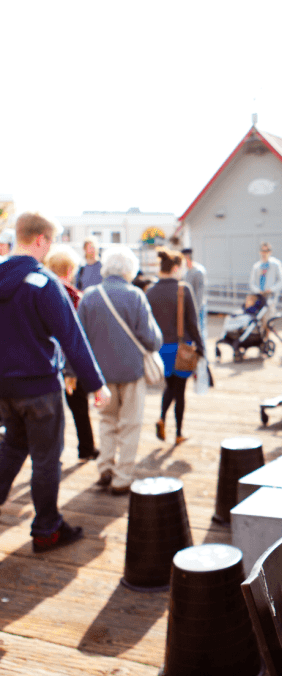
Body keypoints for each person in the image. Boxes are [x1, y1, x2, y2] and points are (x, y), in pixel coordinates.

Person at [0, 212, 111, 553]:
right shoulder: (44, 283)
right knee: (46, 460)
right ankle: (47, 529)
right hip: (39, 390)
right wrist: (96, 384)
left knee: (13, 446)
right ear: (41, 240)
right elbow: (71, 338)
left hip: (4, 390)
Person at [78, 245, 163, 495]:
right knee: (130, 424)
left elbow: (79, 339)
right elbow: (150, 339)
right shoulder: (135, 295)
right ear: (130, 269)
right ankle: (122, 477)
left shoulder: (89, 296)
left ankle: (104, 466)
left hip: (100, 375)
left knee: (106, 420)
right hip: (130, 372)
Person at [45, 244, 99, 461]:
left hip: (45, 362)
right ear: (70, 270)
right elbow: (79, 335)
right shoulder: (76, 297)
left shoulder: (38, 291)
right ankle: (86, 448)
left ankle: (47, 454)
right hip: (70, 363)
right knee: (79, 409)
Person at [146, 248, 205, 445]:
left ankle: (162, 418)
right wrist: (202, 348)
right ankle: (178, 433)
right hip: (182, 349)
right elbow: (193, 323)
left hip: (161, 349)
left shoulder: (150, 292)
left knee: (170, 386)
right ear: (176, 268)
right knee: (179, 391)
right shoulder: (183, 289)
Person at [249, 242, 282, 326]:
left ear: (270, 252)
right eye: (262, 250)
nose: (264, 253)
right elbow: (252, 282)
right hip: (259, 296)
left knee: (268, 320)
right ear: (260, 252)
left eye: (267, 251)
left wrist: (271, 289)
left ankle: (267, 337)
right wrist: (258, 290)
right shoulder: (256, 266)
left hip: (270, 296)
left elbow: (281, 280)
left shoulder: (276, 264)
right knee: (258, 320)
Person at [182, 247, 207, 342]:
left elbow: (200, 292)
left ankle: (202, 354)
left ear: (187, 257)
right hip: (189, 307)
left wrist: (196, 309)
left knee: (200, 330)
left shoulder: (198, 271)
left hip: (198, 307)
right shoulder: (186, 271)